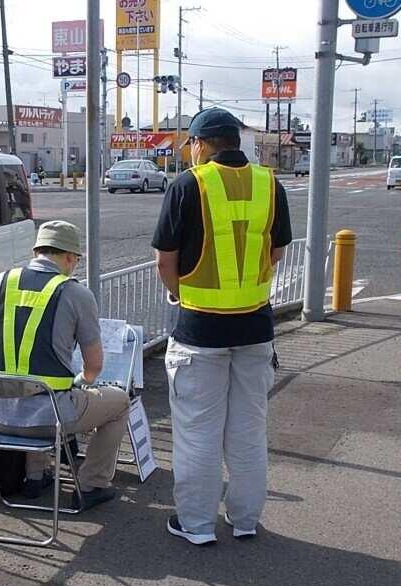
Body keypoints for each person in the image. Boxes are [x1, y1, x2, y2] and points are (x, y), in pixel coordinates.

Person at [151, 108, 292, 544]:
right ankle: (245, 520)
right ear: (235, 140)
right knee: (248, 432)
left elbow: (165, 261)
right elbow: (276, 252)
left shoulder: (188, 185)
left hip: (199, 332)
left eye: (190, 145)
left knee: (198, 433)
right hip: (255, 329)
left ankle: (196, 525)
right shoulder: (270, 184)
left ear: (200, 143)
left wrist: (182, 295)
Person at [0, 220, 130, 509]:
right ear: (70, 257)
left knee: (35, 390)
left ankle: (36, 477)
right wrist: (82, 382)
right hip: (50, 421)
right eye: (76, 261)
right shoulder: (76, 293)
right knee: (120, 402)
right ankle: (92, 483)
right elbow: (94, 366)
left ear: (36, 251)